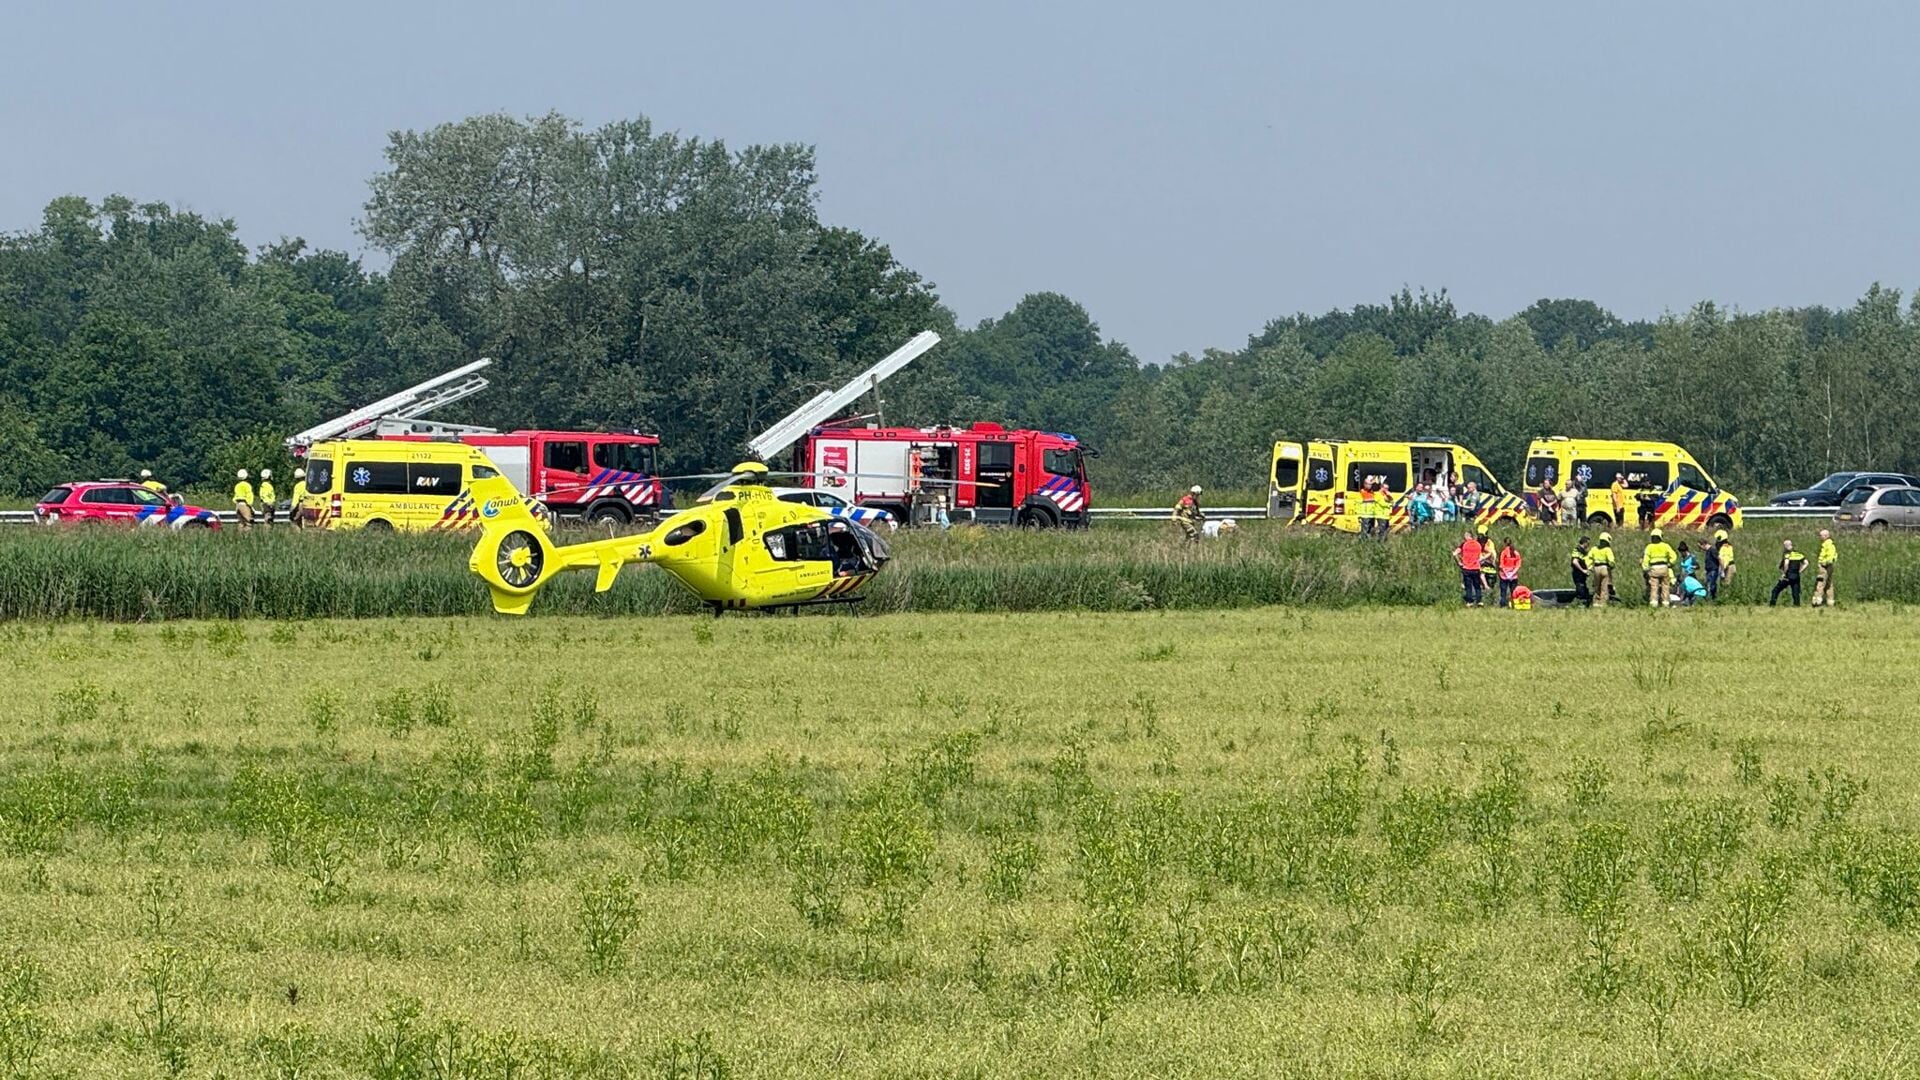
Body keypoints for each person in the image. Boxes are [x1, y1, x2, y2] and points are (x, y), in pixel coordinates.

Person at [1642, 527, 1677, 607]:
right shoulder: (1665, 546)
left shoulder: (1649, 547)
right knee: (1665, 586)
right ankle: (1665, 603)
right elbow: (1673, 556)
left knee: (1654, 586)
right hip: (1664, 567)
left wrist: (1645, 569)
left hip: (1654, 568)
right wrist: (1670, 564)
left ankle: (1654, 603)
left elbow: (1646, 559)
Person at [1770, 540, 1807, 607]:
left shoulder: (1787, 554)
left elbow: (1786, 564)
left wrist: (1784, 573)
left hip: (1788, 575)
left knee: (1776, 590)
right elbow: (1806, 563)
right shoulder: (1798, 554)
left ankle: (1772, 605)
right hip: (1796, 576)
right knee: (1795, 592)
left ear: (1785, 546)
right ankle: (1797, 605)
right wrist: (1800, 571)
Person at [1454, 530, 1485, 607]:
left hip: (1467, 568)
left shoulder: (1464, 544)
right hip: (1476, 568)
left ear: (1468, 536)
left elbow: (1455, 554)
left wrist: (1459, 562)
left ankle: (1469, 602)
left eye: (1465, 536)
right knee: (1477, 585)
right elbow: (1480, 556)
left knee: (1468, 586)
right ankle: (1479, 601)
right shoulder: (1478, 544)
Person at [1589, 532, 1617, 609]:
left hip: (1596, 568)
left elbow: (1588, 558)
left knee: (1596, 585)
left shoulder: (1594, 549)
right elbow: (1611, 561)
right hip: (1605, 568)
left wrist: (1589, 566)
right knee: (1604, 586)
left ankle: (1596, 602)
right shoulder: (1607, 549)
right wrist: (1612, 566)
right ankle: (1603, 602)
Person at [1813, 529, 1838, 608]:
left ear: (1826, 536)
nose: (1820, 537)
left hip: (1825, 567)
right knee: (1829, 584)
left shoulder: (1829, 545)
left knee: (1820, 582)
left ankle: (1817, 600)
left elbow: (1830, 556)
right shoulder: (1826, 544)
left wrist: (1824, 563)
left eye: (1821, 535)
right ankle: (1830, 601)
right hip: (1827, 566)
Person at [1496, 538, 1522, 608]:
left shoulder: (1503, 552)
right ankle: (1514, 604)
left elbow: (1501, 565)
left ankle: (1503, 604)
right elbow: (1518, 565)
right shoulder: (1516, 553)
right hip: (1513, 576)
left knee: (1503, 591)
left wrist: (1507, 574)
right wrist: (1512, 573)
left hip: (1504, 575)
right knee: (1513, 591)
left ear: (1504, 543)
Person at [1570, 536, 1593, 607]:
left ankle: (1585, 603)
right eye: (1588, 543)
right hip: (1578, 573)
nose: (1588, 545)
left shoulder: (1583, 551)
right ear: (1585, 542)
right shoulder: (1577, 550)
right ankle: (1579, 603)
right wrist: (1582, 570)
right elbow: (1575, 561)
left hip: (1582, 574)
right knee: (1580, 588)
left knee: (1584, 589)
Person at [1713, 529, 1736, 598]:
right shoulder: (1729, 546)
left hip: (1727, 567)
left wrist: (1722, 570)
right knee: (1728, 583)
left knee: (1725, 583)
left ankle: (1725, 598)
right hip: (1732, 566)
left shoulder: (1723, 548)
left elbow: (1723, 559)